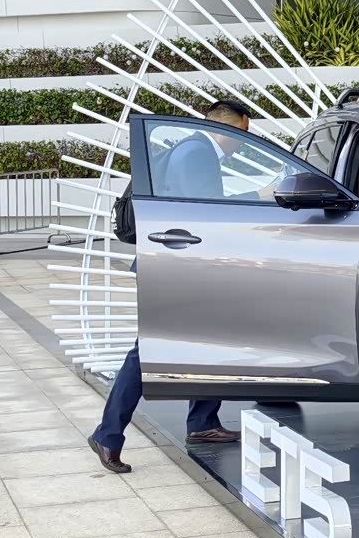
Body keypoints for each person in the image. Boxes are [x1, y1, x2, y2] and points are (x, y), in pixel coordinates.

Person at [88, 99, 254, 474]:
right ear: (228, 127)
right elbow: (205, 210)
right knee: (147, 351)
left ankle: (202, 421)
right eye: (243, 133)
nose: (242, 143)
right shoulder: (197, 153)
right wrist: (254, 198)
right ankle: (107, 434)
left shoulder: (190, 149)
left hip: (178, 262)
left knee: (210, 338)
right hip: (176, 265)